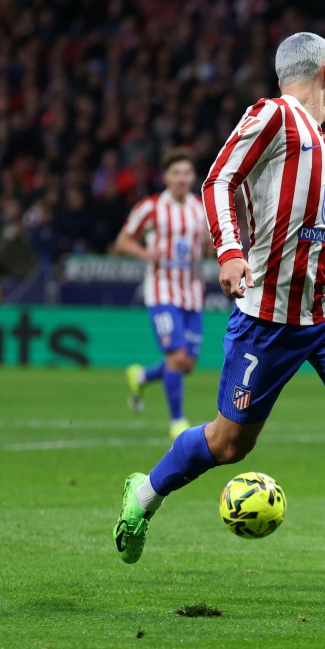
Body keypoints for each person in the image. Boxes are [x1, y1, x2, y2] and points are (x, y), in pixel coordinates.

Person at [112, 32, 325, 601]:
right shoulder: (275, 116)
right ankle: (143, 495)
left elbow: (318, 236)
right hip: (268, 319)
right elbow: (219, 179)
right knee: (229, 446)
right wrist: (229, 254)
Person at [114, 148, 210, 441]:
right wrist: (147, 253)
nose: (182, 179)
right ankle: (177, 421)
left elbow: (209, 245)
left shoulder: (201, 208)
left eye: (186, 173)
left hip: (192, 292)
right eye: (176, 173)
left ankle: (140, 376)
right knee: (176, 357)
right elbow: (122, 241)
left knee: (187, 363)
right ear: (166, 177)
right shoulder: (151, 207)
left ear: (193, 177)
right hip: (162, 290)